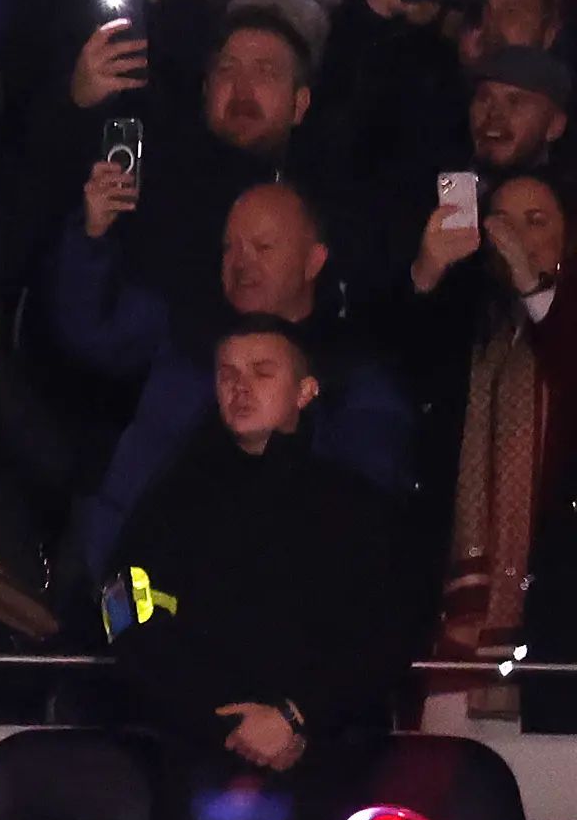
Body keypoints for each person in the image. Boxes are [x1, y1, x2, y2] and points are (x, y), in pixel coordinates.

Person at [108, 320, 418, 791]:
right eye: (227, 373)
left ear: (305, 390)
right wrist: (220, 721)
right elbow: (123, 609)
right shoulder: (172, 502)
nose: (240, 386)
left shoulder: (354, 505)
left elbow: (389, 631)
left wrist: (297, 716)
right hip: (197, 766)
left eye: (262, 372)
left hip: (326, 769)